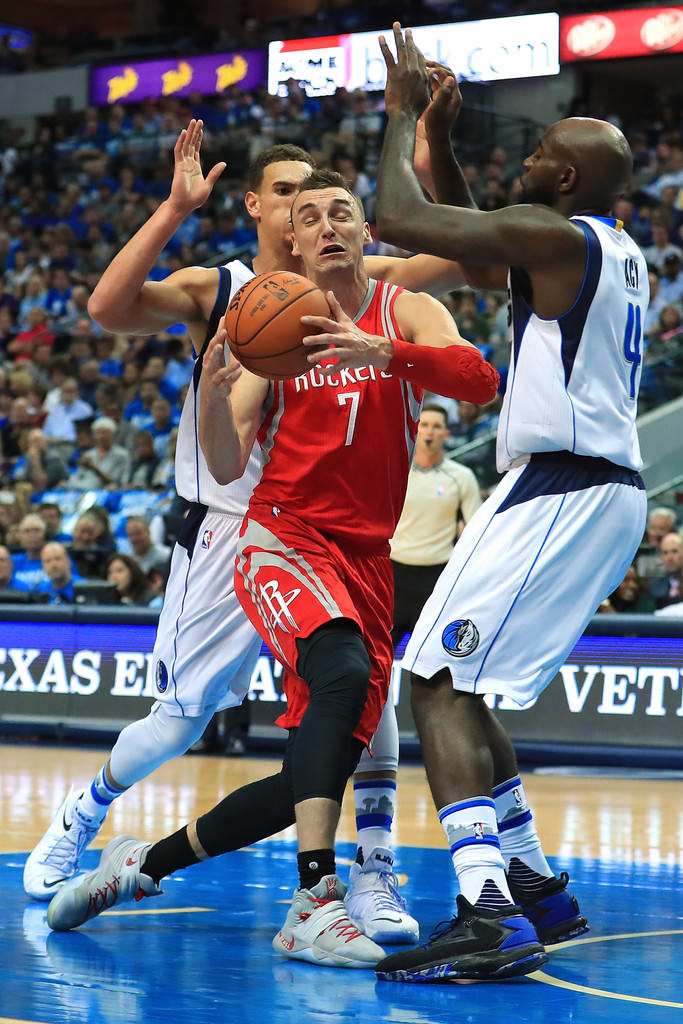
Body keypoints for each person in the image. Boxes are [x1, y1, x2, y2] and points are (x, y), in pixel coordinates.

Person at [45, 170, 499, 969]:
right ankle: (317, 899)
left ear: (365, 233)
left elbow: (480, 382)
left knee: (307, 773)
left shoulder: (406, 309)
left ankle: (140, 866)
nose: (325, 225)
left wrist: (383, 353)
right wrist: (217, 400)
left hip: (366, 557)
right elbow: (226, 460)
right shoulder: (274, 328)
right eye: (310, 216)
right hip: (281, 538)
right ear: (290, 238)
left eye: (342, 214)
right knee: (342, 672)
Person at [370, 26, 648, 983]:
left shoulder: (554, 236)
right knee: (465, 684)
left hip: (561, 489)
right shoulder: (593, 247)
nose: (523, 162)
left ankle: (487, 911)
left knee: (435, 686)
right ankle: (532, 887)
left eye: (537, 156)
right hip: (579, 489)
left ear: (565, 182)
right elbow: (467, 224)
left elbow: (404, 223)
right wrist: (439, 144)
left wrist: (402, 108)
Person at [390, 403, 481, 647]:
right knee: (375, 660)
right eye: (425, 425)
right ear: (416, 430)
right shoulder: (394, 470)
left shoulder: (461, 476)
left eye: (436, 427)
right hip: (392, 574)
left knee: (427, 663)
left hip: (436, 578)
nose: (429, 432)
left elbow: (476, 533)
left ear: (446, 434)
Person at [69, 416, 131, 489]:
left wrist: (94, 469)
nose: (101, 437)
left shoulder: (122, 455)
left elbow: (115, 482)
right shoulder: (89, 454)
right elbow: (78, 476)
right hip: (85, 490)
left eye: (105, 433)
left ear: (113, 435)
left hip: (106, 492)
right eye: (98, 433)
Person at [649, 531, 683, 609]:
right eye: (665, 553)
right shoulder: (654, 586)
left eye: (674, 551)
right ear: (660, 556)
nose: (669, 558)